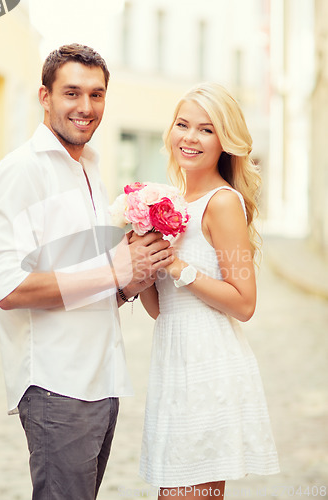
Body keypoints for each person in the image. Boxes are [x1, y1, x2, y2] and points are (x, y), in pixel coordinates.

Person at [0, 43, 174, 500]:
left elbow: (89, 281)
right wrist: (114, 270)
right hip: (57, 386)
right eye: (72, 93)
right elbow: (9, 287)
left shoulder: (90, 168)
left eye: (97, 94)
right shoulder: (21, 171)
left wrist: (133, 279)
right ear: (44, 97)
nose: (85, 107)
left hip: (101, 381)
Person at [133, 82, 280, 499]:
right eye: (183, 125)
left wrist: (179, 267)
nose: (190, 138)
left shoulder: (222, 203)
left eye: (206, 129)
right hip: (173, 362)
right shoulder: (173, 203)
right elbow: (163, 310)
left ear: (224, 142)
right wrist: (145, 263)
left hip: (208, 366)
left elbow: (245, 302)